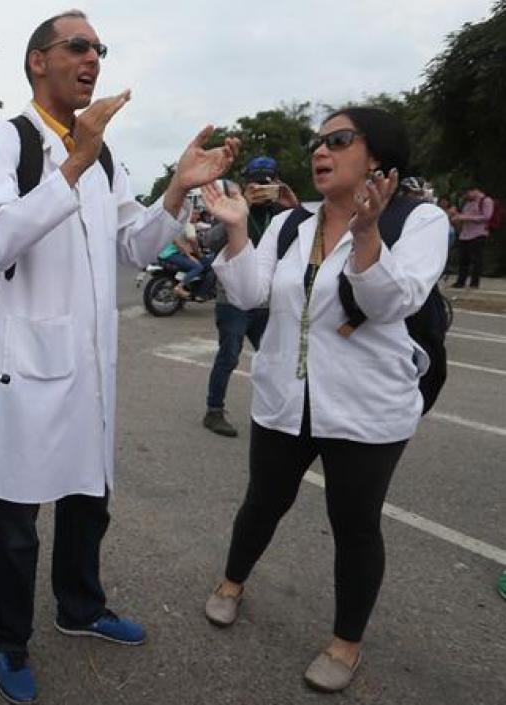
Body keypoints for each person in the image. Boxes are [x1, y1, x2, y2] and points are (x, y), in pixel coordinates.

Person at [0, 10, 239, 703]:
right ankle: (8, 637)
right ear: (38, 61)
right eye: (78, 46)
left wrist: (176, 188)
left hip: (90, 366)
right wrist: (73, 161)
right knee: (18, 518)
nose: (93, 59)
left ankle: (80, 606)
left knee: (90, 496)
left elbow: (136, 246)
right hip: (27, 360)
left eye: (100, 49)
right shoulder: (5, 143)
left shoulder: (104, 155)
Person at [202, 106, 448, 693]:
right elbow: (248, 292)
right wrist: (238, 228)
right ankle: (231, 583)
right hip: (286, 397)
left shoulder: (420, 221)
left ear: (378, 155)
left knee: (355, 525)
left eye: (338, 140)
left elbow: (394, 303)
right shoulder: (294, 224)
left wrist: (366, 237)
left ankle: (346, 643)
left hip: (368, 410)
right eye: (318, 142)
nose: (320, 152)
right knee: (262, 502)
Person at [202, 156, 301, 437]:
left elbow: (309, 242)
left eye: (268, 181)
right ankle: (214, 411)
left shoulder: (283, 215)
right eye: (256, 181)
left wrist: (293, 208)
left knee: (275, 356)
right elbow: (209, 241)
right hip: (232, 299)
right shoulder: (235, 205)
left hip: (268, 300)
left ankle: (279, 409)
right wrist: (241, 209)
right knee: (229, 356)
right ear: (246, 184)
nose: (262, 186)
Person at [451, 186, 492, 288]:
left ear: (474, 191)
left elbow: (486, 216)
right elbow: (464, 215)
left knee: (476, 259)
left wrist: (465, 217)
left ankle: (474, 282)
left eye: (467, 193)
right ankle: (461, 281)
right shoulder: (468, 203)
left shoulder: (486, 201)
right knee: (463, 259)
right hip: (465, 234)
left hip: (479, 233)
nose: (466, 196)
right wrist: (458, 217)